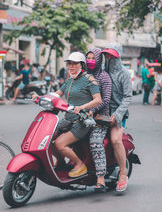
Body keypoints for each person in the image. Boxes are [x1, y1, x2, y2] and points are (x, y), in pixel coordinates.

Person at [52, 52, 102, 178]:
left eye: (75, 63)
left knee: (59, 143)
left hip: (81, 121)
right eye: (69, 63)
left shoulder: (89, 79)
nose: (71, 66)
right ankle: (61, 162)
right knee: (48, 140)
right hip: (67, 119)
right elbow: (56, 94)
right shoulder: (69, 80)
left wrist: (82, 107)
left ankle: (80, 165)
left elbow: (98, 100)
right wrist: (40, 97)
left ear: (82, 65)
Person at [102, 44, 132, 192]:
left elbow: (127, 97)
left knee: (115, 140)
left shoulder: (124, 74)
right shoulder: (102, 72)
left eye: (112, 56)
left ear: (117, 57)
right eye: (106, 56)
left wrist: (118, 114)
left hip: (119, 113)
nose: (108, 58)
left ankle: (123, 174)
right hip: (102, 112)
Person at [86, 48, 112, 192]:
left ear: (98, 60)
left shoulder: (104, 77)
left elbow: (106, 99)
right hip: (83, 115)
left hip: (100, 118)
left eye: (93, 58)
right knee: (59, 131)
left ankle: (101, 178)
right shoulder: (83, 76)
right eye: (88, 58)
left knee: (95, 141)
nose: (90, 60)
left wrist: (92, 110)